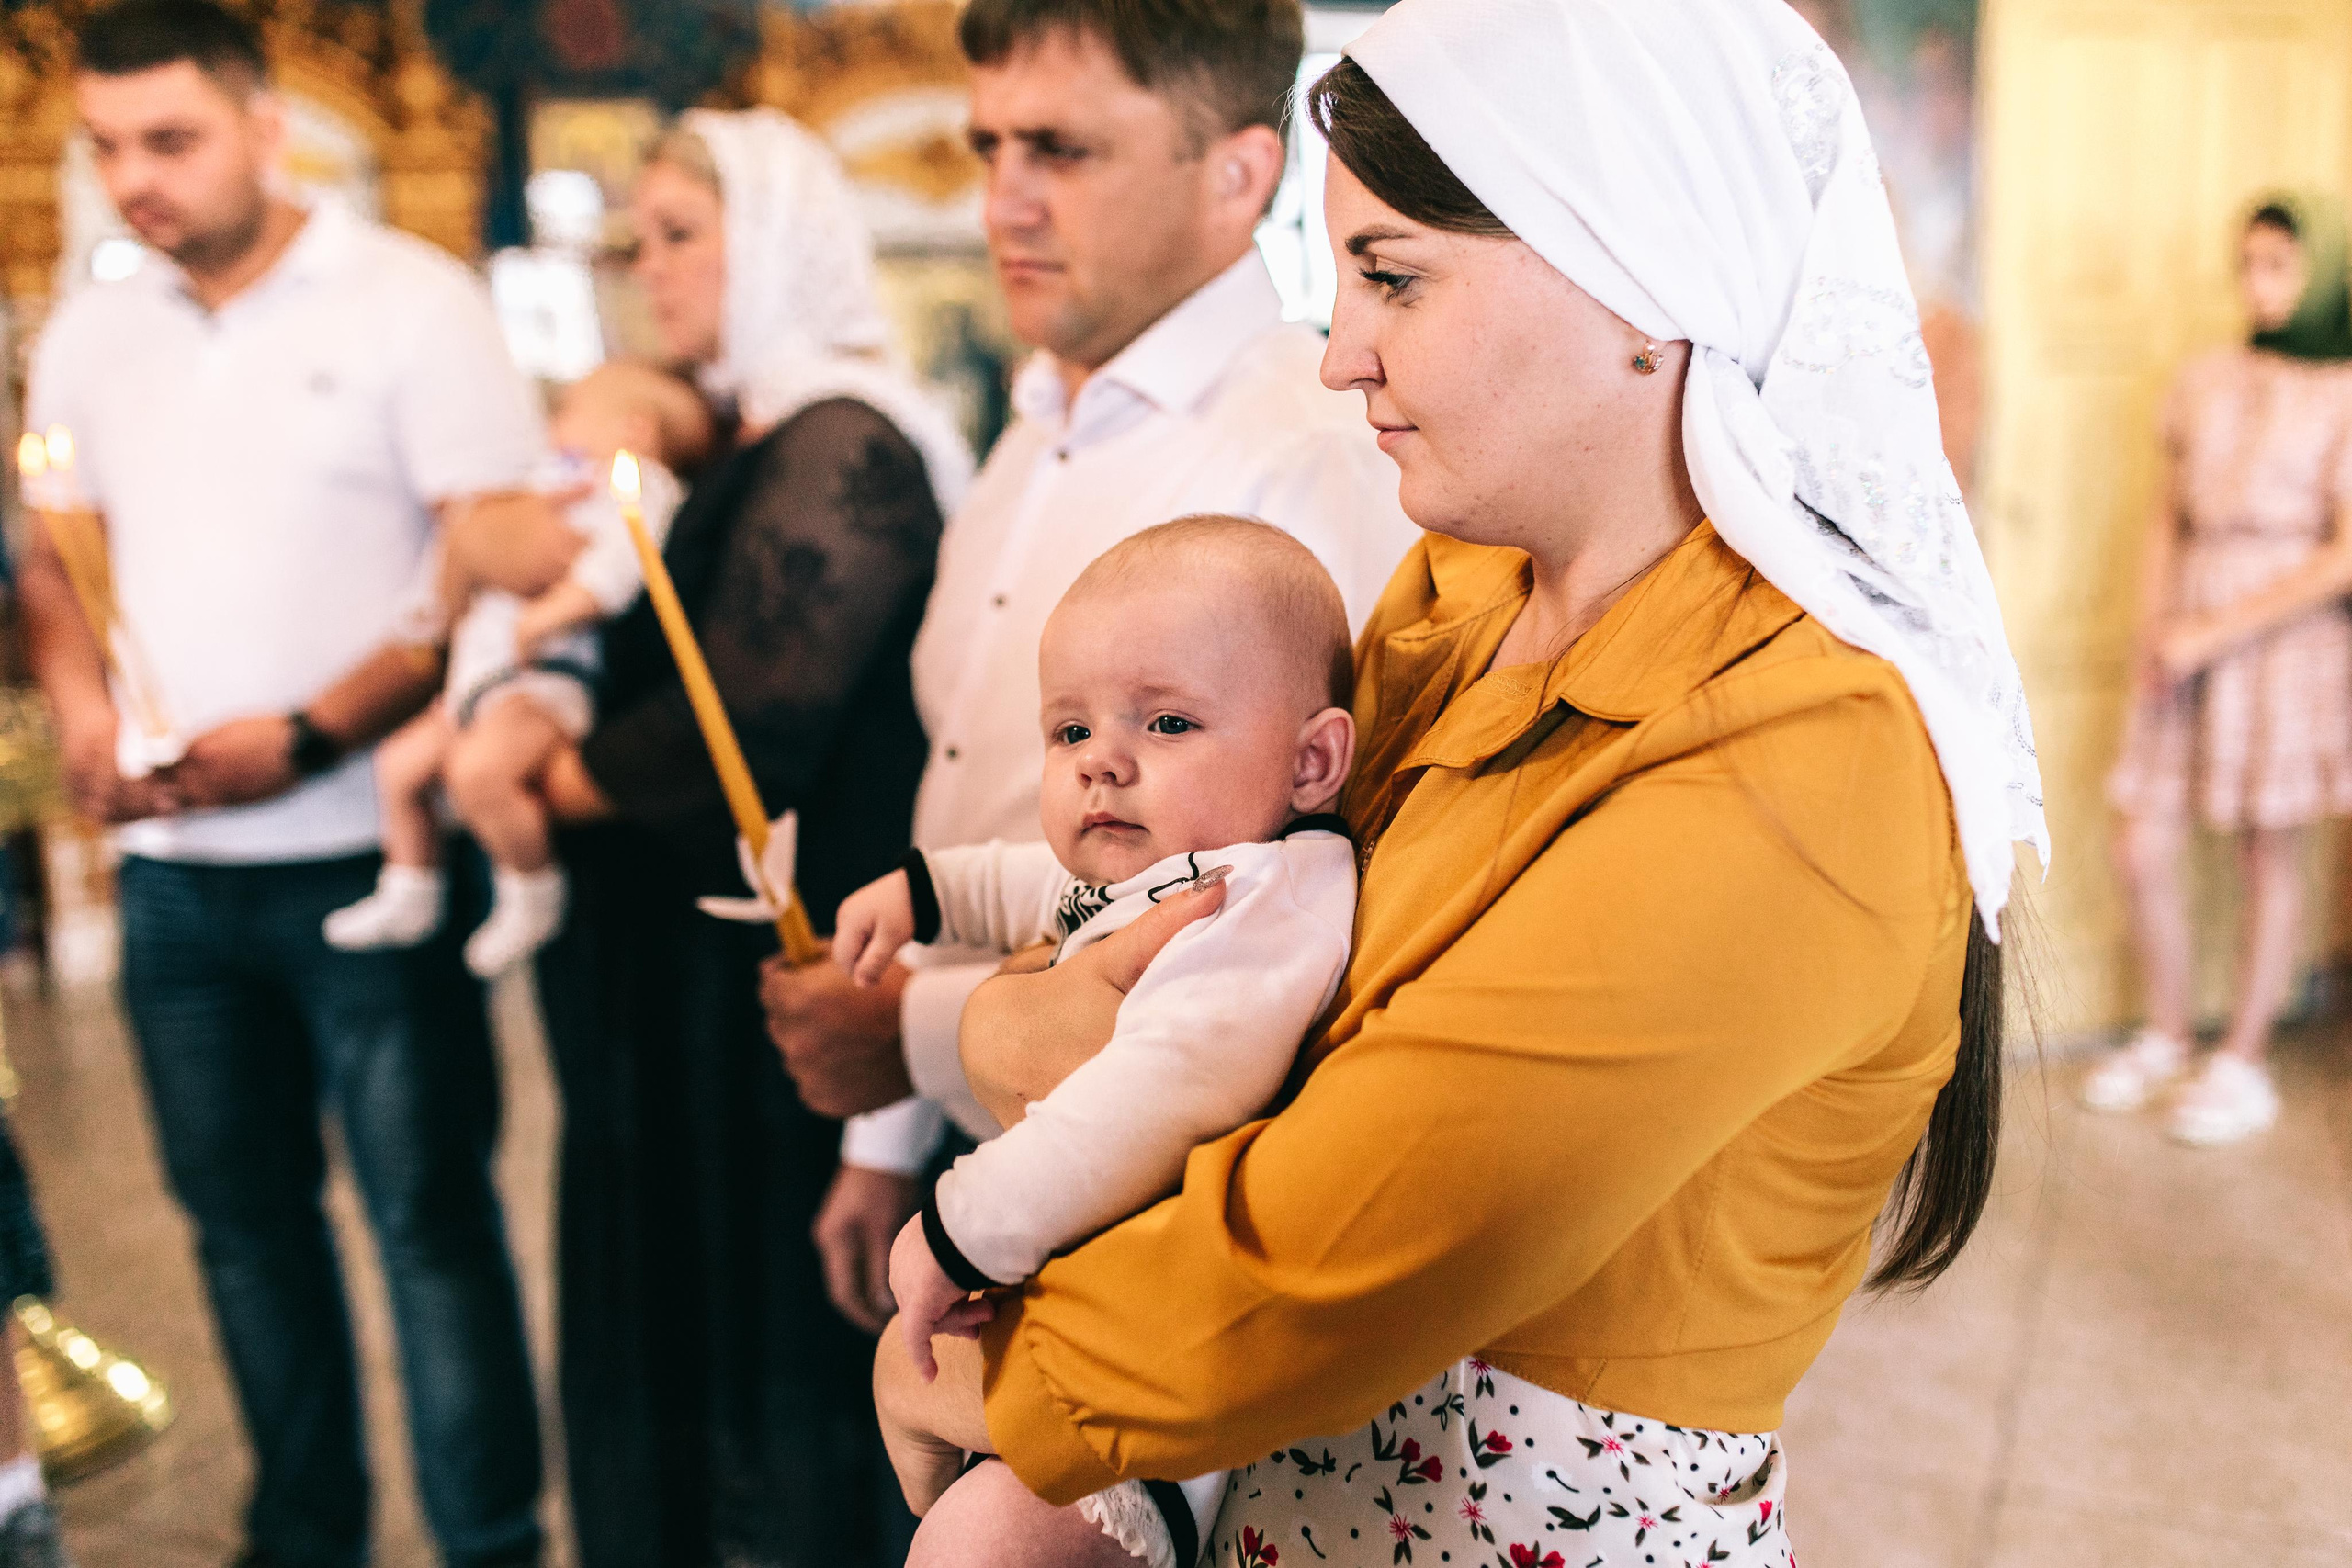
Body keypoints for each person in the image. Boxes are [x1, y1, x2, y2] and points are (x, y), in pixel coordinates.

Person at [866, 3, 2048, 1565]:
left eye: (1393, 277)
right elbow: (1171, 891)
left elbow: (1363, 1235)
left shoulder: (1813, 754)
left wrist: (1003, 1361)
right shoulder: (1465, 592)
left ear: (1643, 283)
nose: (1339, 347)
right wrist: (1036, 1021)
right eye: (1341, 268)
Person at [763, 0, 1421, 1314]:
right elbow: (975, 783)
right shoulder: (1033, 432)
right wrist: (886, 1133)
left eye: (1059, 152)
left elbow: (1291, 935)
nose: (1001, 203)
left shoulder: (1311, 454)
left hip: (1163, 1209)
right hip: (975, 1138)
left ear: (1239, 173)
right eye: (991, 146)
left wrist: (910, 1036)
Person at [21, 5, 545, 1566]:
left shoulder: (409, 301)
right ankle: (304, 1530)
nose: (136, 181)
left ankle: (490, 1535)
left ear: (266, 126)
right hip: (179, 879)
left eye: (170, 140)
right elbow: (59, 557)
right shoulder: (91, 329)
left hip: (372, 855)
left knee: (429, 1226)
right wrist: (79, 713)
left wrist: (314, 733)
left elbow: (490, 563)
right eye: (107, 149)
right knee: (241, 1230)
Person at [447, 108, 970, 1568]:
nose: (647, 266)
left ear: (784, 237)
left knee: (763, 1339)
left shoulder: (846, 436)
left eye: (684, 233)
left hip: (767, 986)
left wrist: (541, 785)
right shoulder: (728, 425)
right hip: (668, 988)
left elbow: (745, 715)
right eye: (638, 237)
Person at [830, 516, 1358, 1568]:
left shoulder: (1260, 906)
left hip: (1157, 1380)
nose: (1100, 766)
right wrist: (928, 892)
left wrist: (955, 1226)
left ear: (1311, 759)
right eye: (1068, 732)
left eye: (1165, 723)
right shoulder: (1184, 859)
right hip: (1075, 1315)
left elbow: (1155, 1099)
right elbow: (1042, 882)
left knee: (971, 1550)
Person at [2092, 192, 2352, 1145]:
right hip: (2186, 625)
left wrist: (2219, 630)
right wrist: (2155, 625)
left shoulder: (2344, 391)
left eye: (2279, 264)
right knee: (2140, 839)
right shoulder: (2204, 377)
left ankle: (2241, 1059)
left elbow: (2343, 551)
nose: (2257, 282)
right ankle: (2165, 1032)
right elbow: (2167, 514)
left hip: (2282, 642)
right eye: (2247, 262)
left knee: (2262, 853)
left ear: (2323, 272)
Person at [323, 363, 712, 978]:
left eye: (571, 410)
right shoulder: (555, 481)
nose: (554, 424)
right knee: (398, 766)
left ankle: (530, 887)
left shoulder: (638, 487)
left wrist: (551, 615)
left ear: (632, 428)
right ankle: (410, 884)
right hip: (480, 679)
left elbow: (619, 568)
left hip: (545, 678)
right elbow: (471, 535)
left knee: (478, 772)